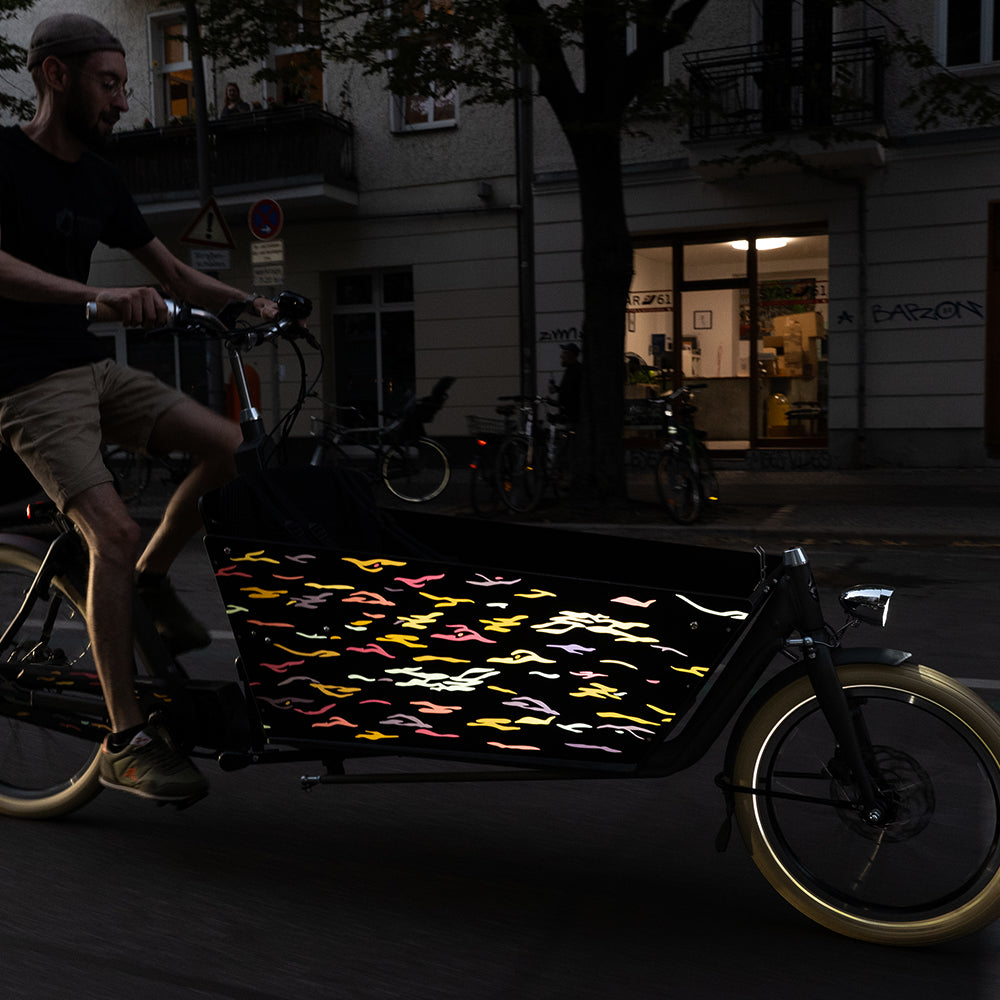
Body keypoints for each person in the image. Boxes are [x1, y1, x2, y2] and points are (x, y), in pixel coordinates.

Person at [0, 13, 280, 806]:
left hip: (89, 367)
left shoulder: (99, 178)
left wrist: (253, 304)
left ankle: (152, 579)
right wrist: (99, 296)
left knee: (229, 449)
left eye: (125, 84)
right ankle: (124, 741)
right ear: (57, 76)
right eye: (110, 82)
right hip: (23, 379)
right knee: (111, 532)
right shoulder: (4, 158)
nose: (125, 101)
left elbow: (177, 276)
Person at [551, 342, 582, 425]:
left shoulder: (576, 371)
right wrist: (557, 389)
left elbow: (572, 394)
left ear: (570, 355)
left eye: (564, 353)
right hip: (570, 416)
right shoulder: (571, 370)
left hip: (573, 417)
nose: (561, 356)